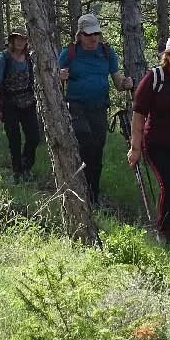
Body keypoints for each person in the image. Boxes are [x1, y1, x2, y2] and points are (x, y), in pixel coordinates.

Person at [127, 33, 170, 255]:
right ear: (167, 55)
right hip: (158, 144)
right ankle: (166, 231)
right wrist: (135, 148)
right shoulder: (154, 78)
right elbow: (138, 115)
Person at [59, 13, 134, 205]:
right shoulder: (69, 53)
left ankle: (93, 194)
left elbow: (118, 82)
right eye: (88, 34)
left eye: (96, 34)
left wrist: (127, 83)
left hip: (99, 106)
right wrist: (59, 75)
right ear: (80, 34)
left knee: (97, 149)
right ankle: (79, 184)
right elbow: (52, 76)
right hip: (75, 105)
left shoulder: (107, 53)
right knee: (85, 140)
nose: (93, 38)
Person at [0, 30, 40, 182]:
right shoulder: (4, 58)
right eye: (16, 39)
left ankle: (27, 166)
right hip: (9, 103)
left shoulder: (29, 58)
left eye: (22, 39)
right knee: (14, 138)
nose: (19, 42)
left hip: (28, 101)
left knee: (34, 137)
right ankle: (17, 171)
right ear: (11, 41)